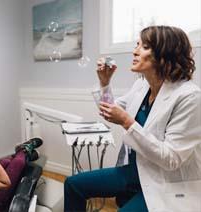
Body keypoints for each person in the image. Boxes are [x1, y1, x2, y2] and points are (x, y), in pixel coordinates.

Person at [64, 25, 201, 212]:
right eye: (137, 44)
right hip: (137, 171)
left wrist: (127, 122)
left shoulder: (189, 96)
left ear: (165, 54)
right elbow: (109, 110)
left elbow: (171, 159)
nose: (135, 51)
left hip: (168, 182)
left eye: (144, 46)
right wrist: (105, 83)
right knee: (73, 184)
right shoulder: (141, 86)